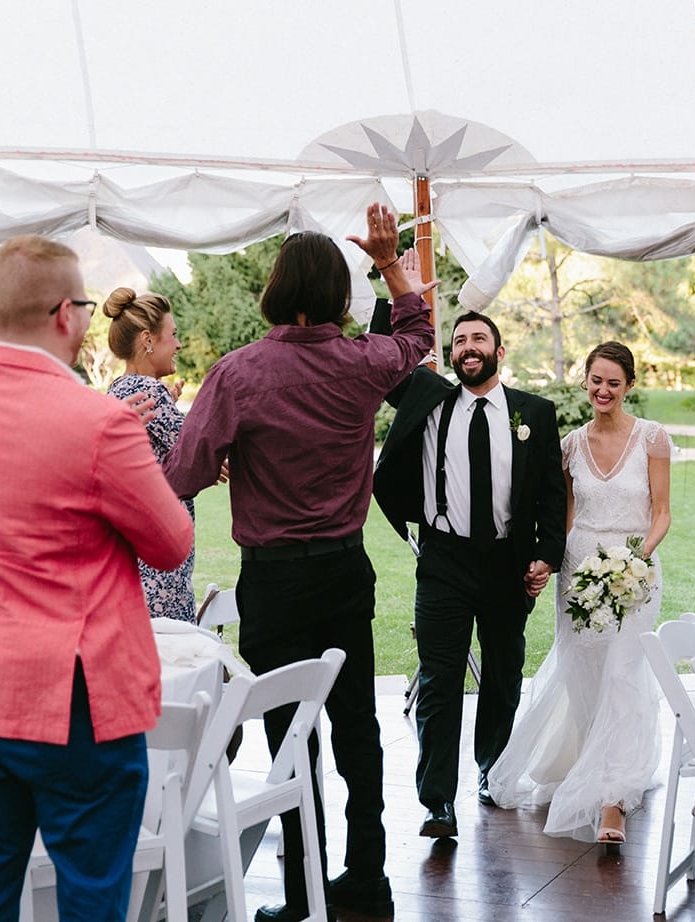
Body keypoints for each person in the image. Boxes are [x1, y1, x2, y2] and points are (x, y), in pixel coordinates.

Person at [162, 204, 434, 922]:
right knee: (356, 727)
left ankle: (301, 893)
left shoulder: (238, 373)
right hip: (345, 571)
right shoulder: (361, 363)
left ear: (276, 290)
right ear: (341, 298)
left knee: (291, 736)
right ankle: (368, 880)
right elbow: (417, 333)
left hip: (275, 580)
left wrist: (217, 455)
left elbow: (181, 474)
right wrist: (390, 260)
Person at [0, 235, 193, 920]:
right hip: (77, 694)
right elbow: (170, 543)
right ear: (65, 314)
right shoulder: (99, 422)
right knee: (91, 892)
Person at [372, 309, 566, 841]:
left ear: (500, 352)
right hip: (443, 563)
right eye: (460, 340)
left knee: (503, 675)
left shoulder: (536, 413)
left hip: (507, 564)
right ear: (452, 354)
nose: (469, 346)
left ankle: (492, 772)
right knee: (439, 679)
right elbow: (383, 357)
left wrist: (546, 554)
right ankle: (438, 802)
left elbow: (553, 493)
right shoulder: (427, 398)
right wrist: (394, 292)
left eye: (480, 338)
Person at [486, 341, 671, 844]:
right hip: (578, 571)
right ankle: (589, 758)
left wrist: (639, 558)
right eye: (596, 380)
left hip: (634, 574)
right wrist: (551, 562)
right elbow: (564, 518)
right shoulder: (569, 445)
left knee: (621, 674)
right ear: (584, 381)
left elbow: (661, 513)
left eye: (614, 382)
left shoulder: (653, 439)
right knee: (585, 673)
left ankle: (612, 799)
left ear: (629, 386)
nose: (603, 390)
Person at [104, 287, 198, 621]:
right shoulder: (149, 391)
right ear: (147, 340)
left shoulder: (119, 388)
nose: (178, 344)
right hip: (157, 566)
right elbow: (197, 453)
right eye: (172, 335)